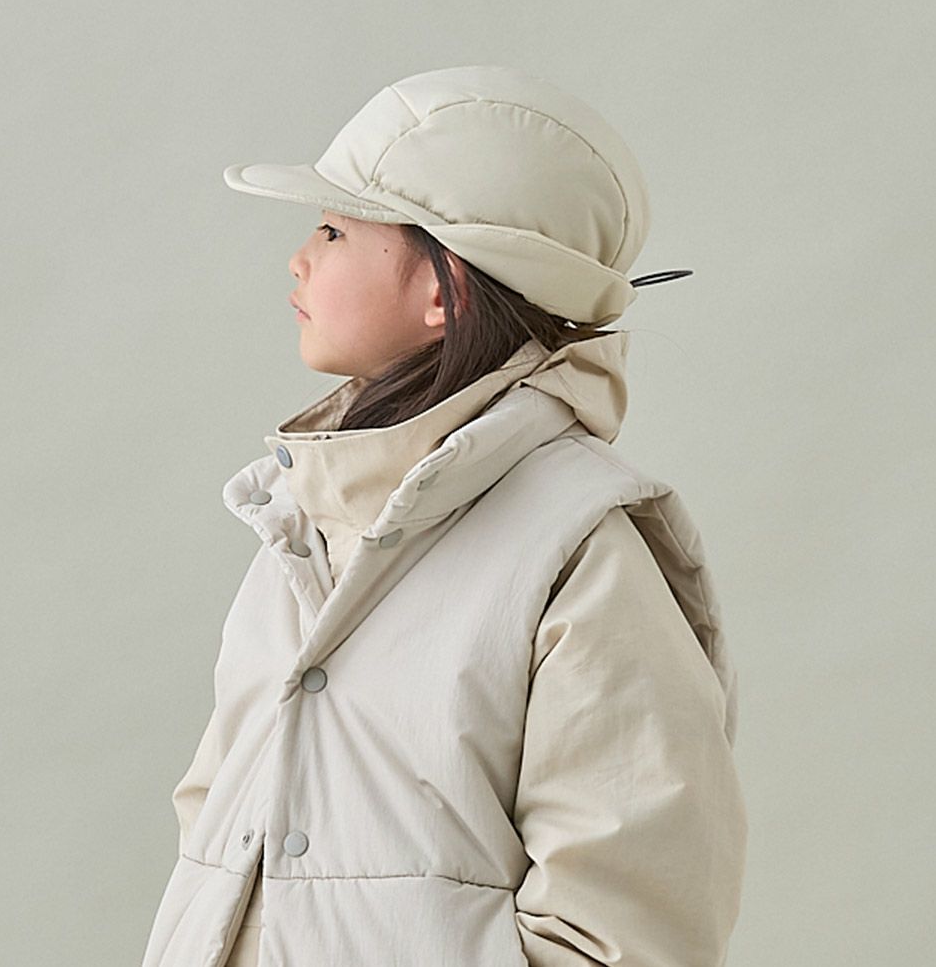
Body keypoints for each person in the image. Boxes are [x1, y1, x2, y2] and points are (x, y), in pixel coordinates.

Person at [139, 64, 748, 967]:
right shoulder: (301, 518)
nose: (299, 258)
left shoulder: (580, 549)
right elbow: (215, 828)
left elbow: (628, 933)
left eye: (334, 229)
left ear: (445, 291)